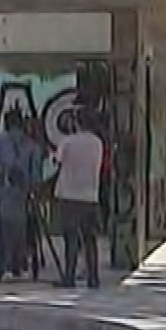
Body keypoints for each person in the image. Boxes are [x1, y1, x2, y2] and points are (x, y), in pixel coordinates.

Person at [0, 110, 42, 278]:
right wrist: (34, 190)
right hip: (22, 192)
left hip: (1, 190)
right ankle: (18, 261)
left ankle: (0, 263)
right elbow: (35, 174)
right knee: (22, 227)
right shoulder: (31, 145)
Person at [51, 112, 106, 289]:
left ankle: (69, 276)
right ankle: (93, 277)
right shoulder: (97, 143)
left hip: (69, 194)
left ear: (77, 123)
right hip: (91, 195)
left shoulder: (68, 141)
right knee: (90, 239)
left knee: (71, 239)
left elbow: (57, 161)